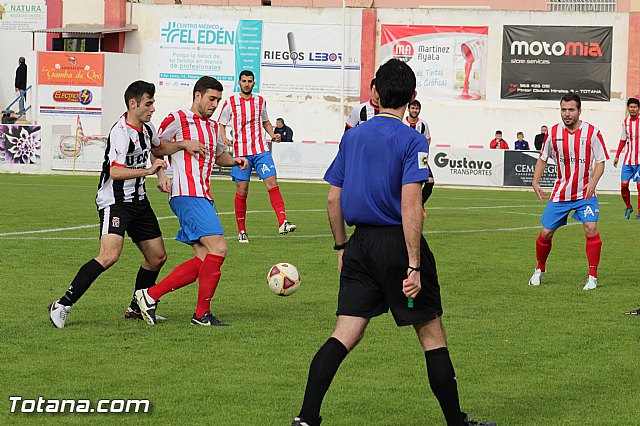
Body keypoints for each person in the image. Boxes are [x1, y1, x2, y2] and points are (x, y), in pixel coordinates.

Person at [291, 59, 495, 426]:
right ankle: (457, 422)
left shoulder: (352, 136)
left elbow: (333, 199)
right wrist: (414, 265)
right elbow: (411, 205)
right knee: (432, 333)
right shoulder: (413, 139)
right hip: (397, 245)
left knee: (345, 333)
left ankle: (306, 418)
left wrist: (341, 248)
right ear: (413, 97)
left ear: (374, 94)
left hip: (359, 244)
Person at [49, 80, 170, 328]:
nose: (153, 108)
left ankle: (137, 308)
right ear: (132, 104)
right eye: (149, 103)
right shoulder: (120, 133)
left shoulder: (147, 129)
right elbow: (115, 172)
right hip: (115, 202)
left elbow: (159, 149)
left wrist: (178, 153)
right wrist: (149, 170)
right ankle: (61, 304)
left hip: (139, 201)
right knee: (109, 255)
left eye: (153, 103)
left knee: (157, 257)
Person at [135, 76, 249, 326]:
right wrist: (180, 149)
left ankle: (149, 296)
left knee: (204, 259)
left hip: (203, 195)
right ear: (197, 96)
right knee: (219, 248)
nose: (214, 105)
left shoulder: (211, 126)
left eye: (218, 100)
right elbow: (156, 148)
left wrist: (235, 160)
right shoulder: (178, 118)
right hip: (187, 193)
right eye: (211, 99)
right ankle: (201, 314)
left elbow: (218, 154)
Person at [529, 92, 608, 291]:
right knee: (546, 232)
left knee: (591, 228)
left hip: (585, 194)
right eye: (563, 110)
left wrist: (593, 182)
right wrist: (535, 181)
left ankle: (592, 276)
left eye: (571, 110)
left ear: (579, 111)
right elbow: (542, 158)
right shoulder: (553, 133)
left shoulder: (592, 133)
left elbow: (600, 161)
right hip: (561, 193)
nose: (567, 114)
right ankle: (539, 269)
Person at [218, 70, 296, 244]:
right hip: (241, 152)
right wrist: (223, 137)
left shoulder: (260, 101)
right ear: (239, 82)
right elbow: (221, 123)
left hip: (261, 150)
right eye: (244, 81)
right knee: (242, 190)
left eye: (250, 81)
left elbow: (266, 121)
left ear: (254, 83)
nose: (247, 84)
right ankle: (242, 231)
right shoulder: (231, 102)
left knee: (272, 183)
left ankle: (282, 222)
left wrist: (272, 134)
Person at [404, 99, 434, 213]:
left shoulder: (423, 124)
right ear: (408, 109)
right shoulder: (402, 123)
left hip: (421, 157)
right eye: (412, 108)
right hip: (406, 157)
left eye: (416, 108)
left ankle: (420, 204)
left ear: (419, 110)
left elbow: (428, 139)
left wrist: (423, 151)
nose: (414, 110)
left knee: (430, 181)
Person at [613, 97, 640, 219]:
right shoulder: (625, 122)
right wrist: (617, 155)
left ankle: (639, 213)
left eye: (635, 107)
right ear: (628, 108)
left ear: (638, 109)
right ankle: (628, 206)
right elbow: (623, 140)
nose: (633, 109)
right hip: (628, 160)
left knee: (639, 186)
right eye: (631, 107)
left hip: (639, 161)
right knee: (624, 186)